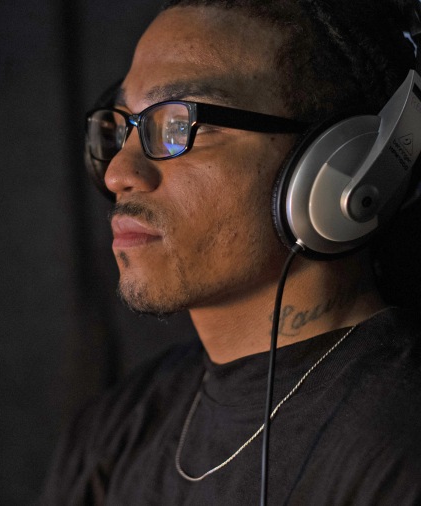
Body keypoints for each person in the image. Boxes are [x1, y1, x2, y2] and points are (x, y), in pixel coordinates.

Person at [40, 0, 421, 504]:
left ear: (343, 168)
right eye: (124, 126)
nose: (117, 174)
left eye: (180, 126)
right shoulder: (113, 430)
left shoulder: (398, 447)